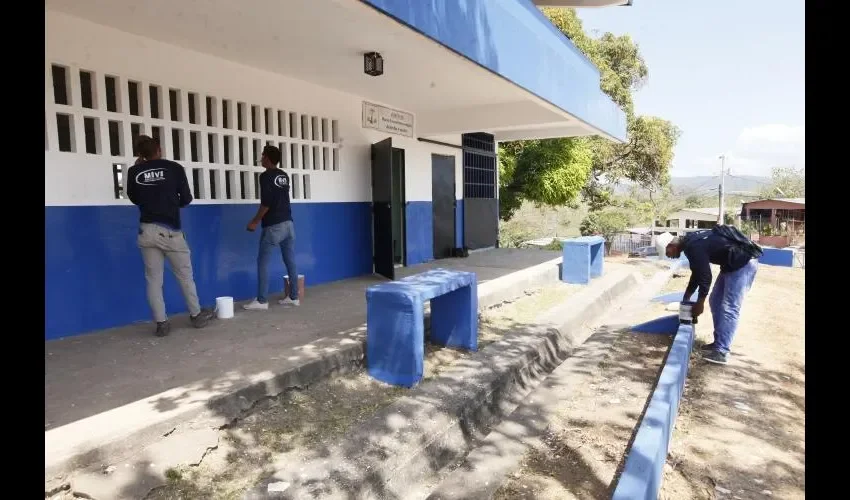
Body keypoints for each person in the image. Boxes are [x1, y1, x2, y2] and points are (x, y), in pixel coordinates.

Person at [126, 135, 214, 337]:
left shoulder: (134, 171)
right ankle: (196, 316)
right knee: (185, 276)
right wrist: (171, 202)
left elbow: (134, 198)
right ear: (158, 149)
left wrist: (139, 168)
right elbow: (187, 199)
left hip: (146, 231)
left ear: (141, 154)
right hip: (171, 231)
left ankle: (162, 324)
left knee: (153, 280)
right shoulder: (174, 168)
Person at [659, 226, 761, 365]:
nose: (668, 255)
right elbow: (697, 273)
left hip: (743, 262)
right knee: (715, 301)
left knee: (729, 306)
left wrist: (700, 302)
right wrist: (687, 297)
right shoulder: (690, 243)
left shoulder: (692, 246)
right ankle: (718, 343)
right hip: (731, 262)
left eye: (667, 252)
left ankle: (722, 351)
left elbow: (706, 276)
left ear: (671, 245)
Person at [243, 145, 300, 310]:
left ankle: (262, 301)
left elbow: (266, 202)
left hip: (274, 226)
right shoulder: (284, 175)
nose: (261, 158)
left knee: (263, 262)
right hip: (289, 224)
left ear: (267, 158)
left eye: (262, 156)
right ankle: (294, 297)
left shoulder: (266, 176)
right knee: (290, 261)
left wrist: (254, 221)